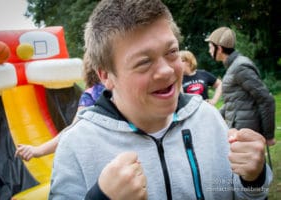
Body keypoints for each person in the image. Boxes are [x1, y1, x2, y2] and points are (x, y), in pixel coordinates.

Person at [49, 1, 272, 199]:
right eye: (144, 61)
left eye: (172, 52)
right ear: (106, 75)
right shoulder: (76, 146)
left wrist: (253, 178)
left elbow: (240, 192)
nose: (166, 71)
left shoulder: (208, 117)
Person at [14, 53, 104, 161]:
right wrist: (38, 150)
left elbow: (73, 130)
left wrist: (38, 150)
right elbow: (74, 130)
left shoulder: (93, 94)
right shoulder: (94, 94)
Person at [205, 26, 276, 146]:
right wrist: (214, 115)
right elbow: (234, 102)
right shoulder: (233, 66)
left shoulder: (240, 67)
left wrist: (268, 136)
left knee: (251, 164)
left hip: (245, 131)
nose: (209, 51)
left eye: (211, 47)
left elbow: (266, 99)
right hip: (237, 130)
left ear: (220, 48)